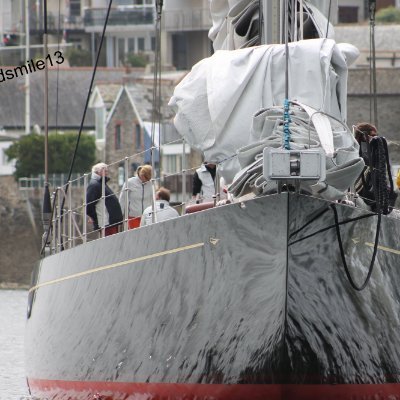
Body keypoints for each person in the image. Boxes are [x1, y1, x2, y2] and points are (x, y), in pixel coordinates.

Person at [86, 162, 123, 237]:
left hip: (110, 221)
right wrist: (96, 218)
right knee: (111, 243)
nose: (107, 173)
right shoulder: (95, 185)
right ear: (98, 172)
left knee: (113, 242)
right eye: (105, 171)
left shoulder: (100, 183)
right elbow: (89, 206)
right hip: (106, 222)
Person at [119, 164, 153, 229]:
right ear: (142, 175)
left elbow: (153, 200)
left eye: (149, 179)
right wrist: (120, 216)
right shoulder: (129, 182)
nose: (147, 181)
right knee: (135, 236)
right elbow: (122, 199)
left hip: (147, 216)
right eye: (147, 178)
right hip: (133, 216)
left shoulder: (151, 184)